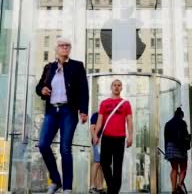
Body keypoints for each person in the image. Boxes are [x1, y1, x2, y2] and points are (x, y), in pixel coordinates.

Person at [36, 37, 89, 194]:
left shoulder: (77, 66)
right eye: (62, 45)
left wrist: (83, 110)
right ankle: (56, 180)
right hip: (52, 110)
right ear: (56, 49)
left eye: (67, 46)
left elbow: (83, 89)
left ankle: (67, 188)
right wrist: (42, 90)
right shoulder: (49, 67)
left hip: (68, 111)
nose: (65, 48)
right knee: (43, 145)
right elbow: (40, 86)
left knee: (65, 148)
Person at [93, 79, 134, 194]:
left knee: (117, 167)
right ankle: (112, 188)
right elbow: (100, 120)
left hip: (120, 139)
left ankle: (113, 191)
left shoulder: (126, 103)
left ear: (121, 88)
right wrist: (96, 134)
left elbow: (129, 120)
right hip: (106, 138)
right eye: (114, 85)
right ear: (111, 87)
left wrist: (130, 136)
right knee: (104, 164)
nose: (116, 87)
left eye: (119, 85)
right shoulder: (104, 103)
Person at [164, 108, 190, 194]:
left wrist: (166, 150)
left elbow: (166, 139)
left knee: (174, 168)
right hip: (180, 147)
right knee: (183, 168)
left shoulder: (168, 124)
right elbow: (185, 137)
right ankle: (179, 185)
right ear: (181, 115)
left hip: (170, 147)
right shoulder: (182, 123)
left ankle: (173, 190)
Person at [89, 111, 104, 194]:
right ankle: (92, 186)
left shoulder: (108, 116)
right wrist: (95, 137)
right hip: (98, 141)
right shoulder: (96, 115)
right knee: (97, 162)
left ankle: (100, 187)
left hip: (105, 142)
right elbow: (92, 128)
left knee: (102, 164)